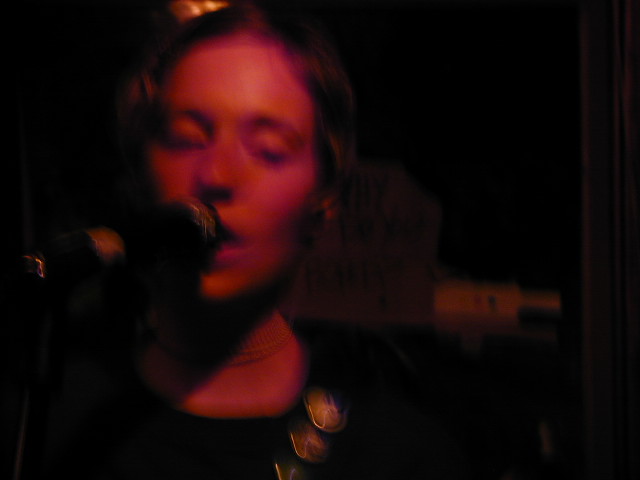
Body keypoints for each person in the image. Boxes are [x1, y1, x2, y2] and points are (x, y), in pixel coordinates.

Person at [41, 2, 470, 479]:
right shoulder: (46, 429)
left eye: (269, 150)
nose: (217, 176)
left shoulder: (401, 456)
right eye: (187, 138)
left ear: (323, 203)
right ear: (140, 175)